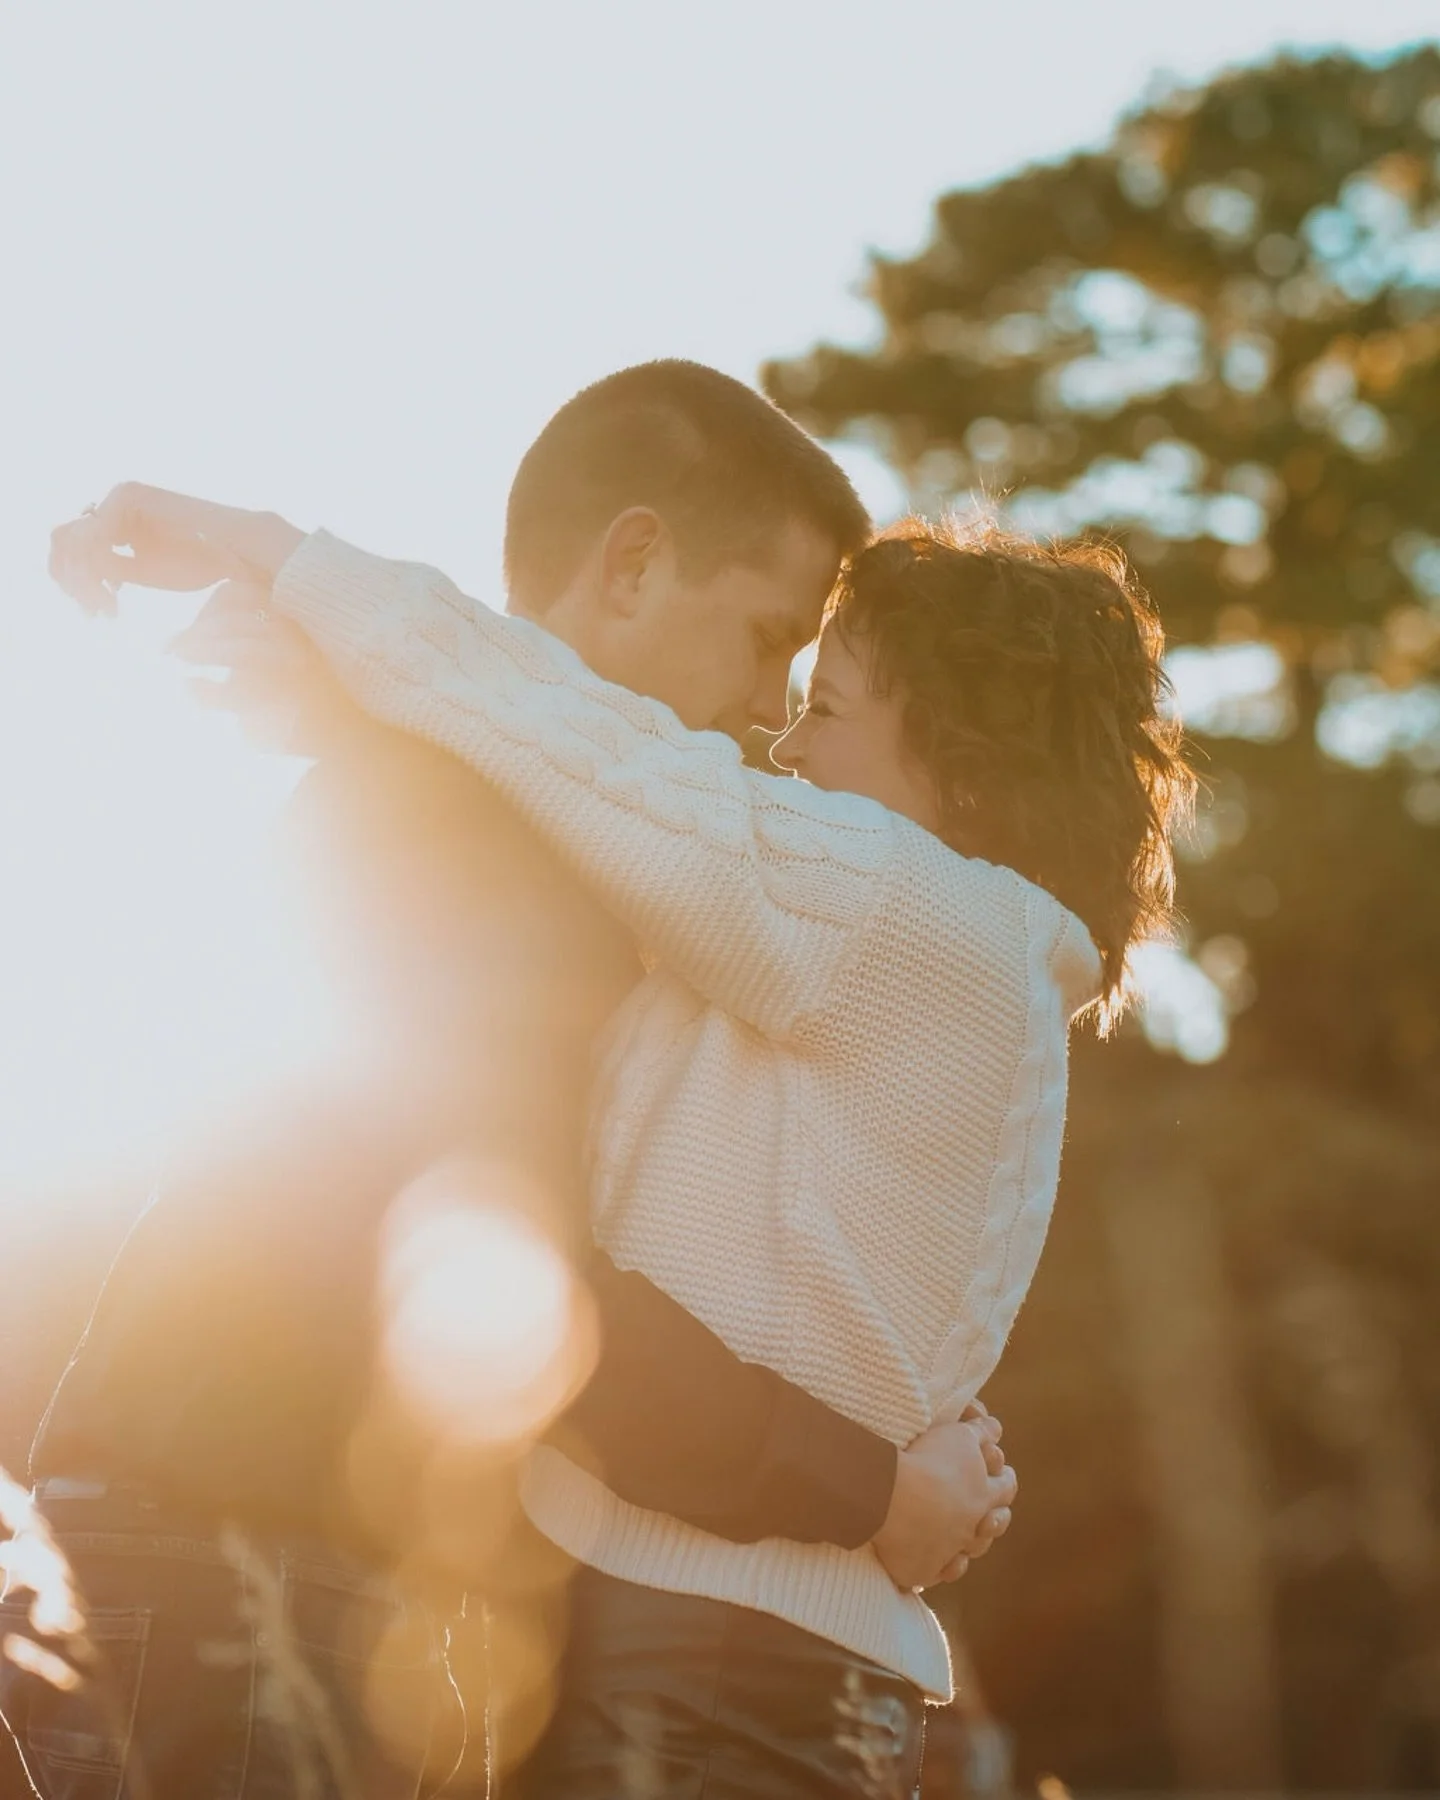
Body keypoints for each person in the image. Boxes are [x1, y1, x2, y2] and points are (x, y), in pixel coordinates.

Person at [9, 365, 1016, 1799]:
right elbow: (517, 1285)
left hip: (262, 1534)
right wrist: (866, 1492)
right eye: (767, 640)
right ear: (636, 559)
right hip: (238, 1538)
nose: (763, 714)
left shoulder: (513, 808)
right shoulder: (481, 842)